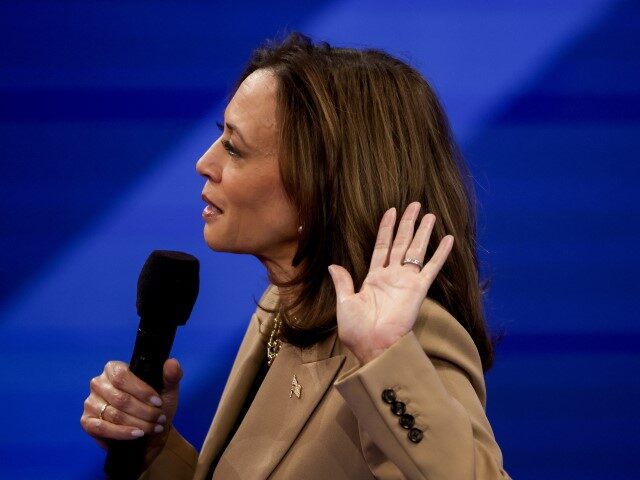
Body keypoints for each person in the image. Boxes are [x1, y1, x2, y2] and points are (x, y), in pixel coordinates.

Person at [81, 33, 510, 479]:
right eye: (220, 137)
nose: (204, 163)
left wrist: (386, 358)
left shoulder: (407, 338)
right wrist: (155, 452)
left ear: (317, 188)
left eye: (234, 147)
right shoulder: (280, 307)